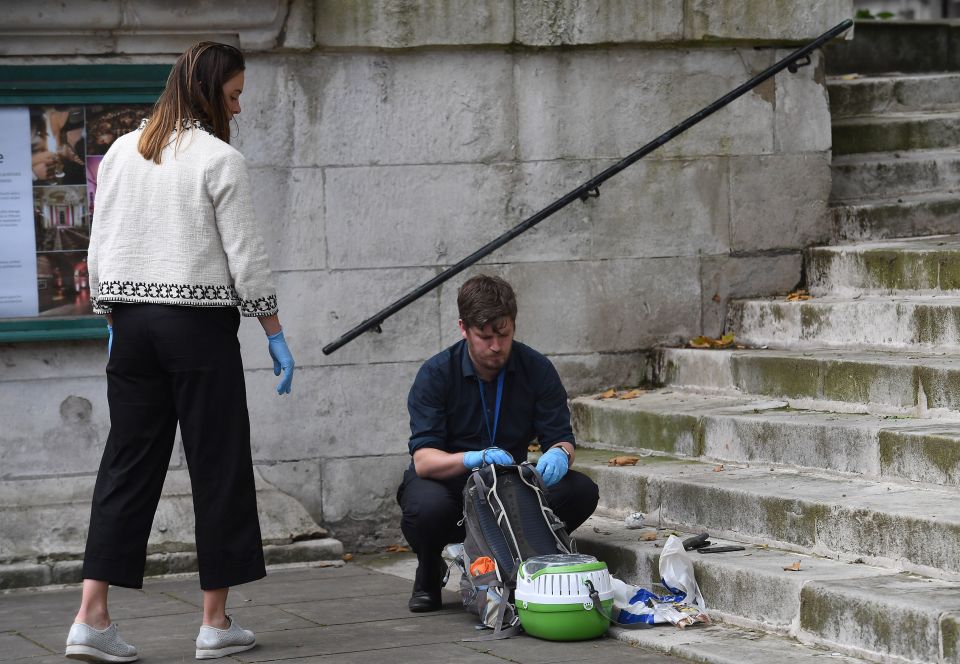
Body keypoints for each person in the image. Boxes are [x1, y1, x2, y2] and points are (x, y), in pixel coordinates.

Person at [65, 42, 295, 663]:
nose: (239, 108)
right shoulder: (220, 159)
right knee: (216, 465)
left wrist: (112, 316)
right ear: (206, 93)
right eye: (233, 95)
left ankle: (90, 616)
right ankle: (214, 623)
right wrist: (272, 329)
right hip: (197, 327)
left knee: (126, 464)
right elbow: (246, 255)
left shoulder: (121, 151)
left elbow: (100, 242)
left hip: (133, 328)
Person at [396, 274, 599, 612]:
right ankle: (429, 568)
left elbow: (561, 439)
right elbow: (424, 461)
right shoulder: (435, 375)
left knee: (579, 491)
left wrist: (559, 454)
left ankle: (529, 560)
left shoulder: (536, 368)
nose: (495, 346)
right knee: (423, 508)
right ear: (463, 328)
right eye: (484, 337)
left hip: (509, 486)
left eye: (503, 335)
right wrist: (473, 458)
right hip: (450, 485)